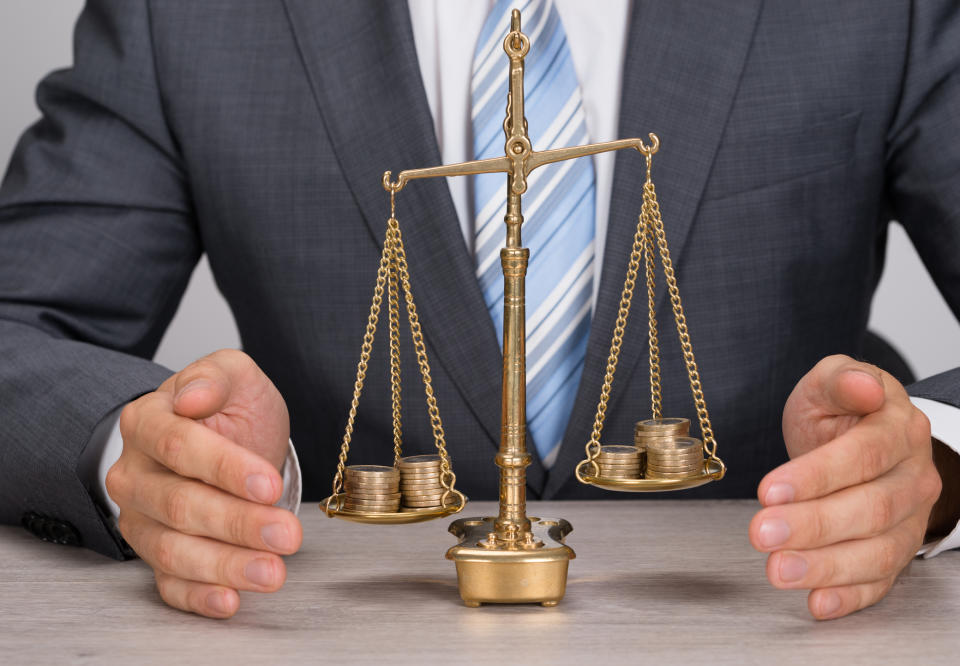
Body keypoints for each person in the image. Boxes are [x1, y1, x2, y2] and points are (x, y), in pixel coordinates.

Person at [1, 0, 958, 622]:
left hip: (777, 623)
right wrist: (141, 455)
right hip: (334, 630)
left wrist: (936, 463)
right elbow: (16, 325)